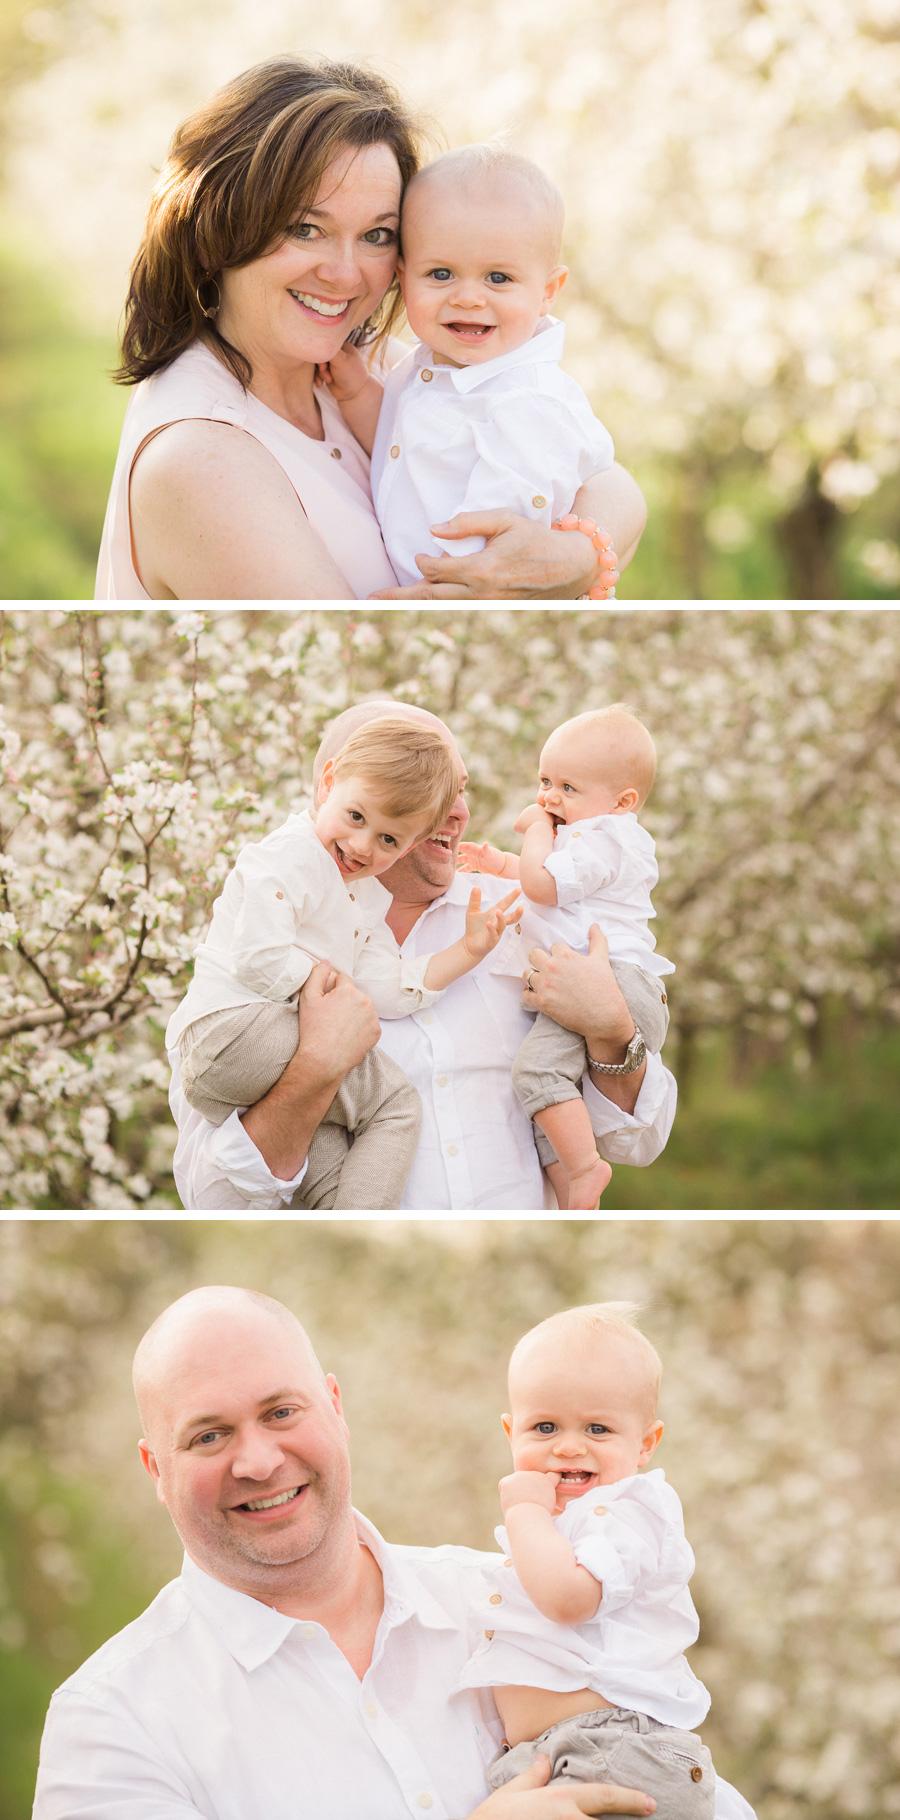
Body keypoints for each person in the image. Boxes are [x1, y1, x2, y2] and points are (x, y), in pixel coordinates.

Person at [32, 1286, 757, 1820]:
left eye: (282, 1413)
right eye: (207, 1436)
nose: (257, 1460)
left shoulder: (507, 1601)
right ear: (155, 1469)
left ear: (336, 1408)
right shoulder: (114, 1721)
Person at [96, 56, 646, 602]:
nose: (344, 274)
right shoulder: (201, 459)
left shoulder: (368, 362)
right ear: (218, 221)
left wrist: (579, 557)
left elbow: (608, 479)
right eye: (305, 229)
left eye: (377, 236)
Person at [168, 702, 678, 1211]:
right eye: (428, 792)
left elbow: (637, 1143)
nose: (456, 813)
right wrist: (314, 1068)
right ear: (334, 787)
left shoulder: (522, 917)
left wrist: (613, 1030)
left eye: (460, 789)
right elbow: (215, 1200)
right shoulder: (255, 955)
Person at [167, 718, 519, 1208]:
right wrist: (325, 1000)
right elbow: (257, 956)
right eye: (356, 817)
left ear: (412, 841)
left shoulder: (361, 898)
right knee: (394, 1105)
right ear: (328, 781)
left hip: (260, 1062)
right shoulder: (288, 856)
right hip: (234, 1036)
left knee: (329, 1156)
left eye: (388, 841)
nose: (361, 847)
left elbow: (380, 989)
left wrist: (466, 953)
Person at [457, 1304, 717, 1818]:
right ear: (511, 1433)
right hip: (550, 1759)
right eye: (545, 1427)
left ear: (645, 1444)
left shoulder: (631, 1511)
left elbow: (569, 1599)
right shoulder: (561, 1527)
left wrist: (525, 1511)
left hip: (615, 1751)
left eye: (597, 1429)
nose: (569, 1447)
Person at [321, 144, 616, 597]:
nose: (468, 298)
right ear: (403, 277)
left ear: (548, 291)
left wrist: (432, 600)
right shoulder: (425, 365)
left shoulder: (526, 404)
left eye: (498, 278)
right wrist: (359, 393)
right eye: (440, 274)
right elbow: (399, 445)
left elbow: (499, 550)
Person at [457, 708, 672, 1211]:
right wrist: (498, 864)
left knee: (535, 1074)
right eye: (545, 781)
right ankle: (572, 1192)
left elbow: (543, 884)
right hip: (600, 983)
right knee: (543, 1105)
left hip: (618, 985)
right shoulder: (588, 841)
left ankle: (585, 1169)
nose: (550, 797)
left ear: (623, 803)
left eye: (568, 789)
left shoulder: (610, 837)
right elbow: (543, 878)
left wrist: (534, 829)